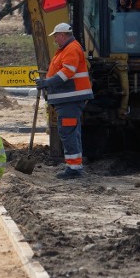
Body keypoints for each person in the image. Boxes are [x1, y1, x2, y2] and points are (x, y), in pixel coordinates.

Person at [36, 23, 93, 179]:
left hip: (70, 99)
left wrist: (47, 83)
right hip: (69, 100)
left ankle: (74, 169)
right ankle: (75, 165)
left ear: (62, 35)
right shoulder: (66, 49)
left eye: (55, 36)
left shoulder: (71, 48)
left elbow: (67, 72)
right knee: (72, 132)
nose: (55, 39)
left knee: (68, 133)